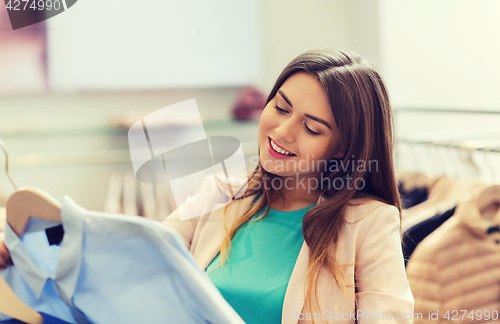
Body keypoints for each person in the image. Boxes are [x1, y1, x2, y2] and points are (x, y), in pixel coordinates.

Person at [0, 48, 414, 324]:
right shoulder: (220, 193)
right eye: (280, 107)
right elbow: (137, 258)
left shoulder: (368, 223)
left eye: (311, 127)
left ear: (343, 149)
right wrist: (27, 248)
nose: (283, 131)